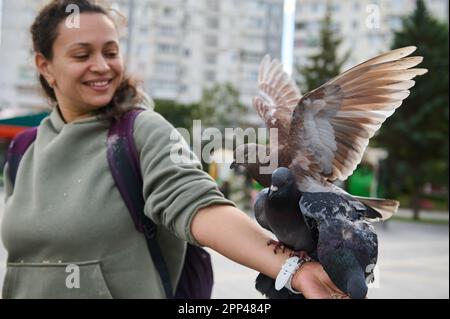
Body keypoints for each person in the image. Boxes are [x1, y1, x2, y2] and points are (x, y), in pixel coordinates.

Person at [1, 0, 347, 299]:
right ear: (44, 66)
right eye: (82, 54)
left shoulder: (139, 131)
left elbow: (199, 206)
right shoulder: (22, 149)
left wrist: (294, 270)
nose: (102, 66)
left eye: (111, 51)